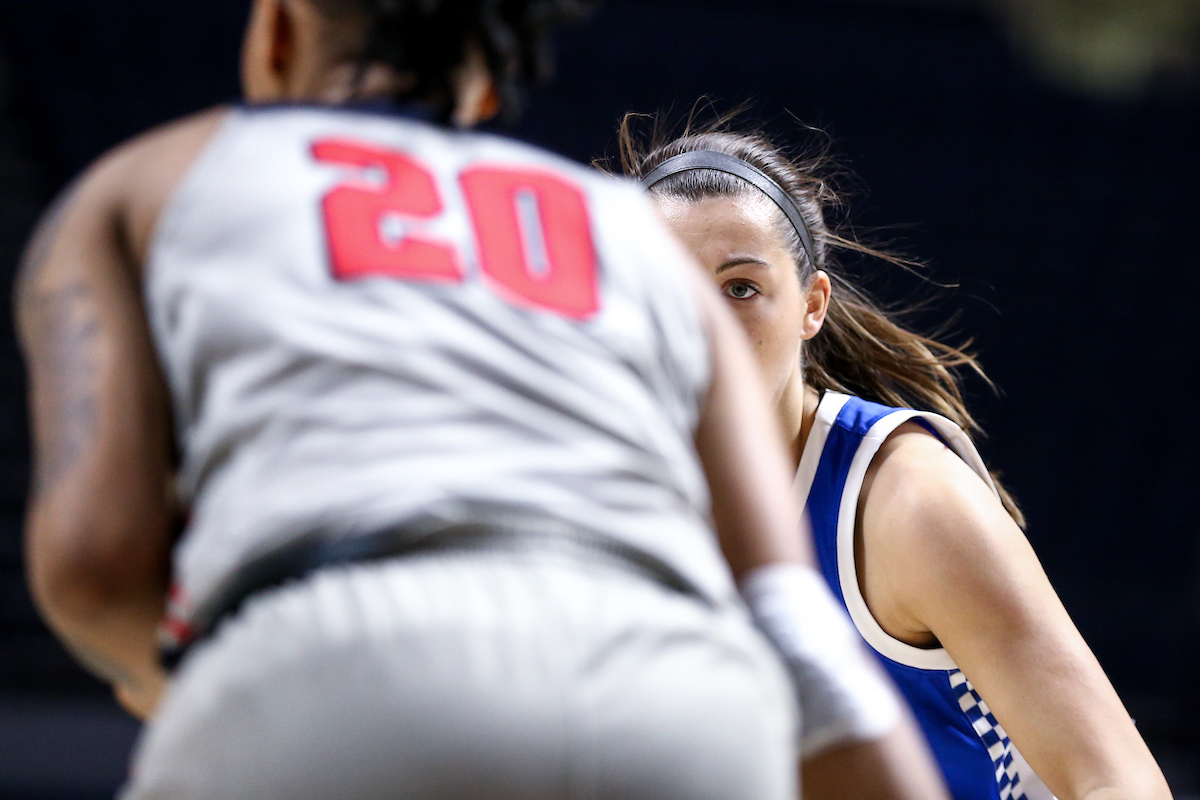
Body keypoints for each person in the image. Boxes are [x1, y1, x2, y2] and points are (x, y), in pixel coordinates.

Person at [16, 2, 952, 798]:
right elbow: (788, 626)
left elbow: (96, 565)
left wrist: (192, 669)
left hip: (326, 671)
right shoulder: (631, 238)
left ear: (276, 31)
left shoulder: (148, 185)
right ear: (488, 96)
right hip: (675, 699)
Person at [622, 118, 1174, 800]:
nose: (703, 322)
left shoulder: (910, 503)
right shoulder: (606, 496)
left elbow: (1120, 784)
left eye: (741, 289)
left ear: (811, 307)